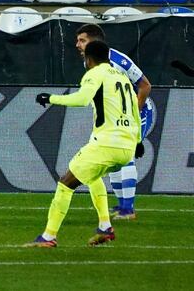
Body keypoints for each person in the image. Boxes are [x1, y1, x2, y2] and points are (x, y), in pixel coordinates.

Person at [27, 40, 141, 247]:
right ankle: (105, 227)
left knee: (66, 183)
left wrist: (51, 98)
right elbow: (134, 110)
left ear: (89, 59)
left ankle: (48, 237)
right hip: (127, 146)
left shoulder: (95, 73)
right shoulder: (123, 78)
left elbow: (81, 99)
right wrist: (138, 141)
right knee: (93, 177)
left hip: (108, 144)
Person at [75, 24, 153, 220]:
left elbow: (145, 85)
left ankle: (128, 209)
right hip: (115, 117)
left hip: (137, 112)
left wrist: (133, 112)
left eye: (82, 40)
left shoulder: (116, 60)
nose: (77, 44)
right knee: (114, 159)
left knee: (124, 156)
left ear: (95, 42)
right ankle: (122, 206)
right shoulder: (90, 61)